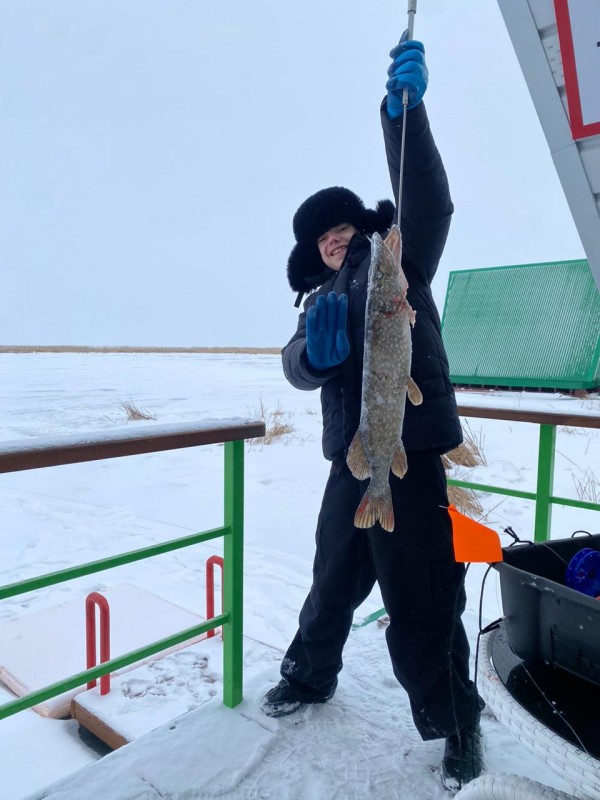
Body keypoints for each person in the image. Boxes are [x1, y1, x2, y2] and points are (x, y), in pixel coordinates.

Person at [261, 34, 485, 790]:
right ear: (314, 254)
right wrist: (313, 358)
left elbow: (429, 198)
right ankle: (310, 673)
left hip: (410, 451)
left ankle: (457, 720)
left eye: (342, 229)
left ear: (362, 229)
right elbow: (294, 365)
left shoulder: (400, 260)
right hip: (351, 458)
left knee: (420, 595)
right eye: (322, 239)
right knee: (332, 577)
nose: (334, 241)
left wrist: (405, 119)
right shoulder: (320, 300)